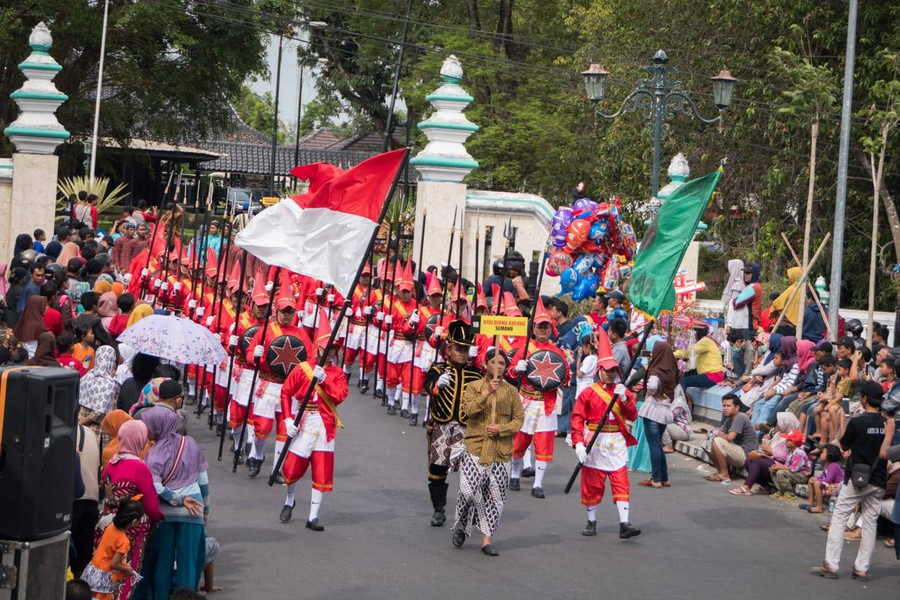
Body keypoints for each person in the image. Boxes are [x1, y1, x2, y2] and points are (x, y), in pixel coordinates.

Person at [811, 381, 886, 581]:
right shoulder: (887, 423)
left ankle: (832, 564)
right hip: (878, 478)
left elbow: (843, 445)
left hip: (857, 478)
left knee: (839, 517)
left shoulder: (857, 421)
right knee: (870, 523)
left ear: (863, 399)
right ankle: (861, 568)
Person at [451, 348, 524, 556]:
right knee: (468, 491)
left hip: (500, 451)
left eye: (502, 363)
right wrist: (486, 393)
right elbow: (468, 411)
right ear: (485, 364)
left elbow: (519, 419)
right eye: (494, 362)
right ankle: (462, 526)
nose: (498, 366)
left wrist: (501, 429)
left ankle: (486, 538)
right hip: (476, 446)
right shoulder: (474, 386)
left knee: (496, 496)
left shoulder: (511, 391)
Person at [571, 326, 641, 539]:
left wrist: (625, 399)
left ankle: (624, 523)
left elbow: (632, 416)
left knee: (621, 480)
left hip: (617, 442)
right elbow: (577, 418)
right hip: (595, 440)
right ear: (599, 370)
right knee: (592, 483)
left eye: (613, 371)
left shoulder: (623, 391)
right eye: (606, 370)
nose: (610, 374)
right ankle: (591, 522)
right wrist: (579, 443)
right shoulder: (589, 393)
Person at [278, 318, 348, 530]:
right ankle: (290, 500)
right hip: (303, 421)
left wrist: (325, 380)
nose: (328, 353)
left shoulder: (337, 374)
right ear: (317, 348)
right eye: (325, 349)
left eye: (332, 349)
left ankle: (313, 516)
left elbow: (340, 396)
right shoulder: (302, 369)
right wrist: (288, 418)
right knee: (292, 468)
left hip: (325, 424)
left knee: (321, 469)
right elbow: (286, 392)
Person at [138, 407, 209, 599]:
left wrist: (176, 499)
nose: (147, 430)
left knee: (163, 563)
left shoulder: (153, 453)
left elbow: (155, 486)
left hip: (165, 515)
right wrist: (207, 509)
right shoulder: (191, 443)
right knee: (189, 563)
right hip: (194, 511)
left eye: (149, 425)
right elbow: (203, 479)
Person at [423, 320, 482, 527]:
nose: (462, 353)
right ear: (449, 349)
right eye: (458, 349)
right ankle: (439, 509)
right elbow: (427, 386)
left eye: (465, 349)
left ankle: (469, 510)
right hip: (442, 426)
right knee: (437, 470)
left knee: (471, 472)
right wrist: (436, 385)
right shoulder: (438, 369)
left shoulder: (476, 374)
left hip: (468, 429)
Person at [509, 298, 570, 498]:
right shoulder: (524, 349)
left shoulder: (556, 352)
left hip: (546, 403)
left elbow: (566, 376)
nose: (543, 330)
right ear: (533, 328)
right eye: (539, 326)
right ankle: (515, 474)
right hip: (525, 400)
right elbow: (510, 371)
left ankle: (537, 485)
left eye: (546, 326)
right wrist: (517, 369)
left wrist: (562, 377)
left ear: (551, 328)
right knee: (520, 441)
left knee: (544, 443)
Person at [80, 500, 145, 600]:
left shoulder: (110, 527)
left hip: (92, 570)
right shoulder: (124, 541)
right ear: (134, 522)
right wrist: (126, 569)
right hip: (103, 577)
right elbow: (114, 564)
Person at [729, 412, 800, 495]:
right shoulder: (778, 435)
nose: (777, 424)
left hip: (780, 465)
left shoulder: (792, 440)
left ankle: (746, 487)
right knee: (749, 461)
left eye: (780, 422)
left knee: (757, 462)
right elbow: (769, 451)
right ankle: (765, 487)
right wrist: (767, 443)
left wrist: (771, 450)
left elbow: (786, 457)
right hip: (771, 460)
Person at [638, 339, 678, 488]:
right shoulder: (671, 371)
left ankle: (656, 478)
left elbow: (653, 386)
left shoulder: (656, 371)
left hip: (653, 410)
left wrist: (649, 390)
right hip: (665, 410)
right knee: (658, 444)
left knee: (654, 445)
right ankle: (664, 477)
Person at [704, 395, 758, 484]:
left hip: (746, 455)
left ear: (737, 407)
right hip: (736, 451)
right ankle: (720, 471)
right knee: (708, 441)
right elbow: (720, 432)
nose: (725, 408)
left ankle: (725, 474)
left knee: (717, 441)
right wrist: (711, 433)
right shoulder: (728, 420)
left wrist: (717, 434)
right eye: (724, 406)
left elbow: (730, 437)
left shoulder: (740, 417)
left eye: (728, 406)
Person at [71, 424, 101, 577]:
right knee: (83, 557)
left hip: (70, 501)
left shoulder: (63, 430)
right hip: (91, 499)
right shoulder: (91, 433)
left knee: (67, 554)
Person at [78, 346, 120, 445]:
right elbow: (99, 412)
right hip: (97, 429)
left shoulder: (87, 376)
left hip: (80, 424)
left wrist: (79, 423)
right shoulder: (109, 383)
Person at [769, 428, 812, 500]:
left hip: (801, 476)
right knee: (773, 472)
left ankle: (790, 492)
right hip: (793, 473)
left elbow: (793, 468)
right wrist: (777, 466)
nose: (785, 441)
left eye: (788, 440)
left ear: (793, 442)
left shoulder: (799, 453)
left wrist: (779, 468)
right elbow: (787, 465)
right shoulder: (790, 451)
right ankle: (780, 491)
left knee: (780, 472)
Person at [800, 444, 844, 513]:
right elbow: (822, 476)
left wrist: (817, 480)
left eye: (823, 452)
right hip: (830, 485)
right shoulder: (827, 465)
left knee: (817, 483)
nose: (821, 454)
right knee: (811, 480)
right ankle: (810, 503)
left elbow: (829, 479)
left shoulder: (834, 466)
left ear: (830, 454)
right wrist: (815, 478)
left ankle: (819, 507)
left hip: (836, 488)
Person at [770, 266, 803, 336]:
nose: (788, 279)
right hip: (794, 326)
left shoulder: (792, 290)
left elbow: (776, 303)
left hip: (784, 324)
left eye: (789, 277)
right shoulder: (802, 290)